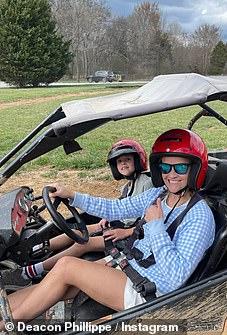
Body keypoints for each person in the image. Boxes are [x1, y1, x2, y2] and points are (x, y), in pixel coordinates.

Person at [0, 128, 215, 327]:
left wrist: (156, 225)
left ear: (195, 169)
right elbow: (115, 208)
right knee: (58, 283)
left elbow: (174, 279)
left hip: (150, 292)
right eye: (166, 167)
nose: (171, 174)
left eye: (180, 167)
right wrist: (73, 196)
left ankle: (5, 326)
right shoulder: (158, 195)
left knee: (67, 266)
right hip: (130, 267)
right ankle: (4, 307)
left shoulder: (200, 216)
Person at [2, 139, 153, 288]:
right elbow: (121, 205)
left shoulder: (147, 183)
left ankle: (29, 272)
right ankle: (30, 250)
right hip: (123, 226)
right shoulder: (127, 187)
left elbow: (151, 220)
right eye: (119, 161)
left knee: (82, 243)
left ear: (138, 161)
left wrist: (126, 232)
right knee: (75, 231)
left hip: (134, 235)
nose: (123, 164)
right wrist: (108, 216)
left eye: (127, 159)